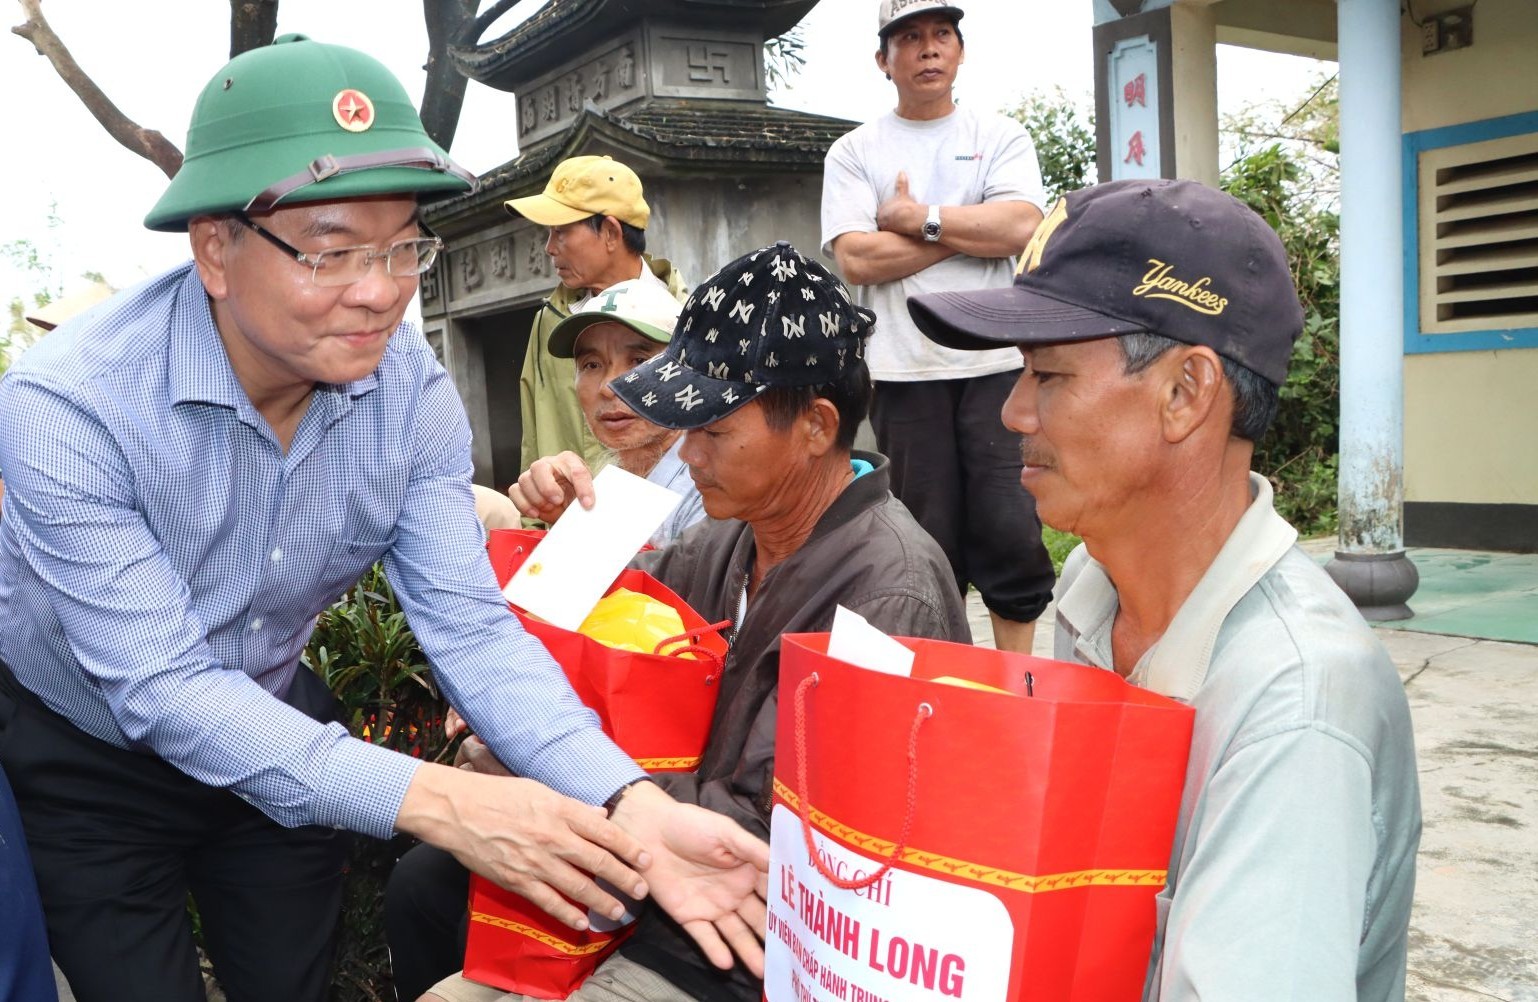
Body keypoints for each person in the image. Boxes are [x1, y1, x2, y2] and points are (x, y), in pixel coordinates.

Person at [0, 36, 765, 1002]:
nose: (380, 290)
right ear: (216, 253)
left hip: (278, 718)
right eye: (332, 251)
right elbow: (161, 687)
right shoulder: (71, 405)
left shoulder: (406, 392)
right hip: (92, 754)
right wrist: (444, 800)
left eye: (403, 245)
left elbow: (470, 627)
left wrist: (631, 800)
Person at [392, 242, 972, 1002]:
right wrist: (564, 536)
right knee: (424, 883)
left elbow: (780, 837)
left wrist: (551, 777)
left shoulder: (890, 596)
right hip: (657, 867)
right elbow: (579, 631)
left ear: (815, 425)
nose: (689, 451)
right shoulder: (729, 537)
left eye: (716, 430)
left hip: (755, 933)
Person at [907, 178, 1422, 1001]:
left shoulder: (1296, 704)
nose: (1012, 413)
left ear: (1185, 393)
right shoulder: (1095, 587)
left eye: (1048, 376)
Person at [820, 0, 1056, 654]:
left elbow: (1019, 227)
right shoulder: (853, 152)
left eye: (941, 35)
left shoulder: (1000, 134)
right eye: (911, 38)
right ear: (883, 60)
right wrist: (963, 229)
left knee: (1012, 532)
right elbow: (857, 258)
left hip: (997, 365)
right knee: (927, 541)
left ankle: (1017, 683)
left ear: (959, 51)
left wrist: (914, 218)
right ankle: (945, 683)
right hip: (902, 370)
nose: (929, 49)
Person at [506, 156, 689, 474]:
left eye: (561, 231)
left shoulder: (686, 314)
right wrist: (542, 519)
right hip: (574, 514)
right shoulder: (550, 321)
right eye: (590, 364)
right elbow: (535, 437)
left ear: (610, 233)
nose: (549, 247)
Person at [509, 278, 706, 547]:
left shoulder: (708, 491)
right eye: (591, 364)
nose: (608, 387)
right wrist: (574, 518)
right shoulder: (606, 485)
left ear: (687, 371)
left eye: (639, 361)